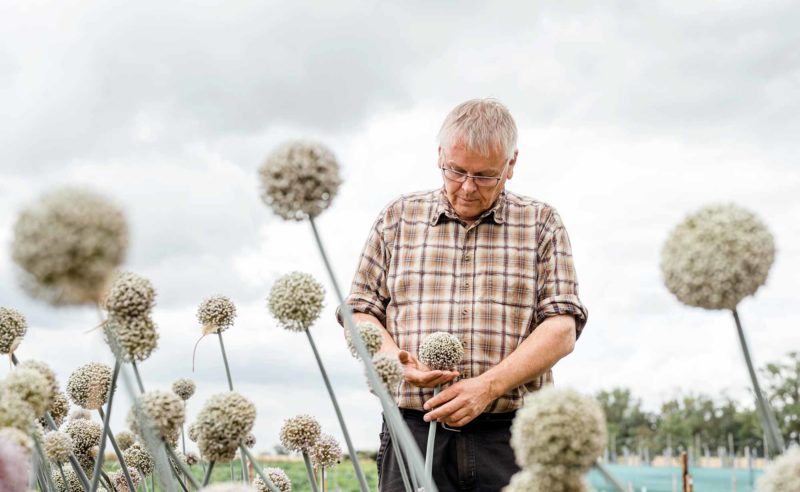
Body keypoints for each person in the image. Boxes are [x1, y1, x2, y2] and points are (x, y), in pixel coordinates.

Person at [341, 98, 588, 491]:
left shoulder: (541, 223)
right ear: (440, 155)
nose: (468, 187)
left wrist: (487, 386)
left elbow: (561, 329)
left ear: (511, 165)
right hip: (413, 429)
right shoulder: (398, 217)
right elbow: (360, 313)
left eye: (485, 175)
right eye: (456, 171)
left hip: (510, 435)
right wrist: (394, 362)